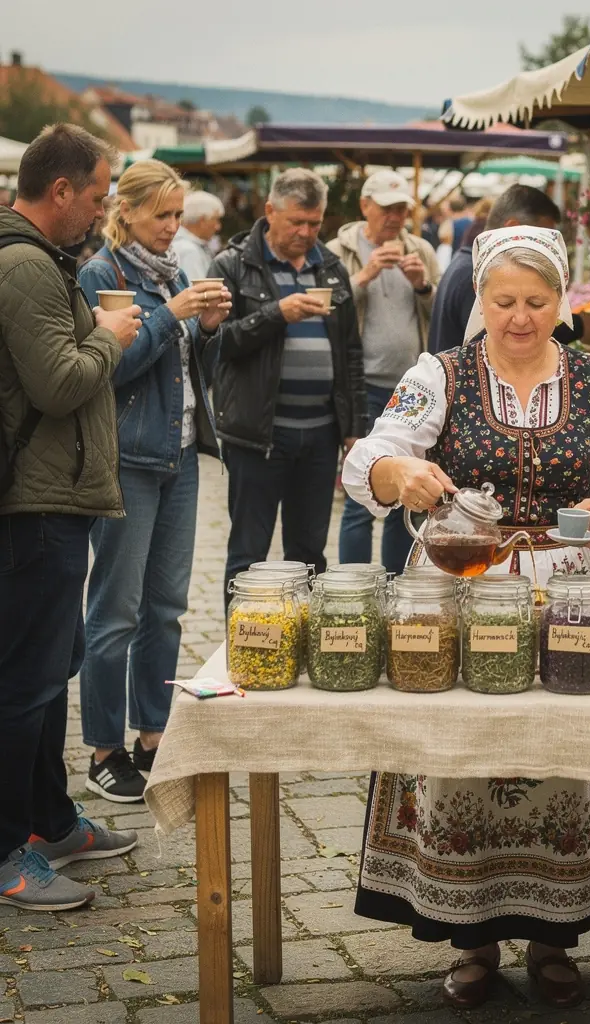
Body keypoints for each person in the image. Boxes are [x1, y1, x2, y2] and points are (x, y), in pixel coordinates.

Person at [342, 226, 590, 1010]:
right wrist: (397, 470)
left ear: (563, 300)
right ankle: (471, 935)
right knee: (465, 754)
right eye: (502, 301)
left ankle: (558, 932)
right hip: (461, 584)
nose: (519, 317)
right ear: (478, 298)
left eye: (537, 301)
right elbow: (366, 457)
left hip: (569, 596)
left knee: (563, 753)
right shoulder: (438, 373)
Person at [0, 124, 142, 910]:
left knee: (51, 673)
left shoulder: (42, 260)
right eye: (96, 195)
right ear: (60, 192)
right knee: (23, 684)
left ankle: (50, 820)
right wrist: (112, 338)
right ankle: (6, 848)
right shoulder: (23, 264)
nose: (102, 210)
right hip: (34, 506)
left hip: (54, 498)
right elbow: (58, 383)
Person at [77, 161, 230, 803]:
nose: (173, 227)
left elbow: (194, 370)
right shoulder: (101, 275)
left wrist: (213, 328)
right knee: (116, 609)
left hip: (181, 456)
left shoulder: (176, 273)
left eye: (177, 215)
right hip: (126, 460)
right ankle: (104, 749)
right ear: (128, 211)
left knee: (166, 608)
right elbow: (108, 370)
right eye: (162, 215)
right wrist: (173, 313)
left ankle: (154, 733)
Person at [211, 169, 366, 607]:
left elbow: (351, 352)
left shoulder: (331, 267)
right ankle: (240, 651)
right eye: (296, 222)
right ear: (269, 212)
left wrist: (354, 428)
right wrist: (275, 314)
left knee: (309, 555)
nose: (306, 233)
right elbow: (217, 343)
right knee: (247, 555)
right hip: (259, 434)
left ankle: (300, 648)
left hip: (319, 434)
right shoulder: (233, 265)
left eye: (315, 224)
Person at [328, 170, 440, 574]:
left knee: (405, 500)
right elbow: (327, 311)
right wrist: (365, 275)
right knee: (362, 497)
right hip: (362, 389)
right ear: (365, 206)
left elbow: (438, 310)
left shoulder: (421, 249)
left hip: (412, 394)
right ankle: (356, 590)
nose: (395, 218)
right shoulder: (338, 251)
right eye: (387, 209)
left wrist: (423, 285)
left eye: (401, 210)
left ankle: (399, 587)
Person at [427, 184, 590, 355]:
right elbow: (505, 342)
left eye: (536, 303)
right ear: (515, 229)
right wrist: (578, 326)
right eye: (505, 303)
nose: (520, 319)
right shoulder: (475, 274)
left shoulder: (465, 264)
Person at [171, 190, 224, 282]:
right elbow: (198, 292)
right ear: (203, 220)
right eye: (216, 220)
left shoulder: (185, 245)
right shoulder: (189, 251)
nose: (218, 227)